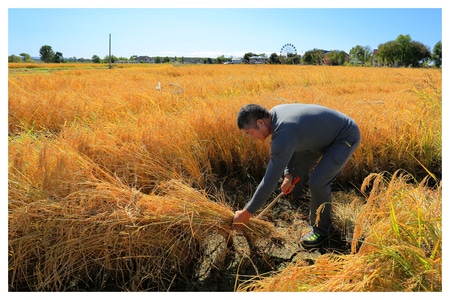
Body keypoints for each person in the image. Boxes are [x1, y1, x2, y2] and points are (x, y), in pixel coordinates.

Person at [232, 103, 360, 248]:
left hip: (344, 137)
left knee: (318, 182)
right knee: (296, 171)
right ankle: (300, 198)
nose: (251, 137)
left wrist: (247, 213)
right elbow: (293, 146)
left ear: (260, 123)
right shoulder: (276, 114)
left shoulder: (284, 130)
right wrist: (289, 174)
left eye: (249, 132)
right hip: (319, 137)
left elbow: (269, 181)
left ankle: (322, 231)